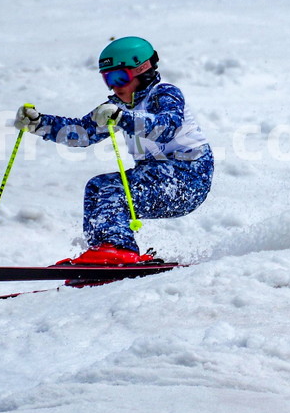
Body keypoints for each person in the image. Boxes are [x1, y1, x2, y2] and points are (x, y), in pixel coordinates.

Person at [12, 36, 213, 265]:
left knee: (114, 189)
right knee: (96, 187)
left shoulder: (164, 93)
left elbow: (166, 127)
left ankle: (118, 250)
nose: (115, 86)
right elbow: (83, 132)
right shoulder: (117, 107)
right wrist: (39, 123)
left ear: (142, 70)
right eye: (108, 80)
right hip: (155, 175)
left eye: (119, 77)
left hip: (187, 176)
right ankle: (101, 252)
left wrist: (123, 118)